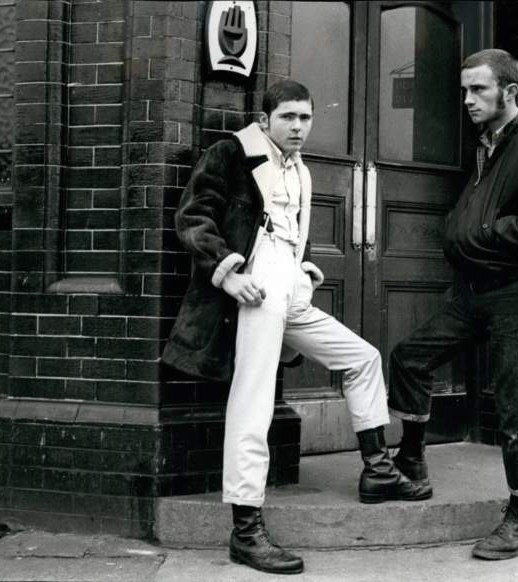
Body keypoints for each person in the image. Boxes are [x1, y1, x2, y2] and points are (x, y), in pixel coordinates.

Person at [161, 80, 430, 576]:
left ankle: (377, 470)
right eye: (288, 117)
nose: (299, 127)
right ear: (265, 120)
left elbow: (294, 233)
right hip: (255, 286)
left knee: (362, 357)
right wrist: (229, 272)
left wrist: (302, 273)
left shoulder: (302, 170)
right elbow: (193, 216)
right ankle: (245, 531)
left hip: (288, 288)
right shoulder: (232, 152)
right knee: (254, 398)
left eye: (305, 118)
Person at [387, 49, 518, 561]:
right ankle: (412, 461)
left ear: (509, 92)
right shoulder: (485, 147)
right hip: (476, 293)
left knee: (516, 406)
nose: (468, 100)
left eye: (478, 90)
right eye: (465, 90)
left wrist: (488, 232)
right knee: (409, 356)